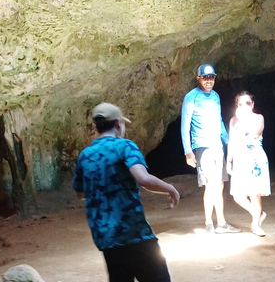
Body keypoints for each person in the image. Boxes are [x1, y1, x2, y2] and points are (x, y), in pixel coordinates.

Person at [73, 102, 180, 282]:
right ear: (118, 124)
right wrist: (170, 189)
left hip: (106, 239)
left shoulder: (85, 155)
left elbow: (80, 193)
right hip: (134, 234)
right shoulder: (124, 146)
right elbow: (143, 178)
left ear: (95, 127)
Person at [180, 63, 240, 234]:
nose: (208, 80)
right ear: (198, 78)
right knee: (210, 184)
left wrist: (228, 140)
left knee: (220, 184)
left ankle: (221, 223)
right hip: (202, 145)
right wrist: (188, 150)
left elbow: (219, 121)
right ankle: (208, 223)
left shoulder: (215, 96)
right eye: (205, 77)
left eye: (211, 77)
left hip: (217, 145)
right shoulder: (191, 97)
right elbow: (185, 125)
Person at [226, 91, 270, 236]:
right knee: (238, 195)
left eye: (248, 103)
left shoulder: (258, 118)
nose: (244, 106)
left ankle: (255, 225)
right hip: (240, 158)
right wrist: (229, 160)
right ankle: (258, 214)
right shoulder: (233, 121)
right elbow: (231, 141)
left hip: (255, 158)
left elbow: (256, 133)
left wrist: (243, 120)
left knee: (254, 193)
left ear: (253, 105)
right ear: (237, 105)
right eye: (241, 104)